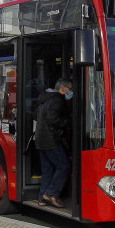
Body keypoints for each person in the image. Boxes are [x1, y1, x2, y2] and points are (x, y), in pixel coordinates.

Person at [35, 78, 73, 208]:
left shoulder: (45, 98)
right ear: (62, 88)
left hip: (40, 139)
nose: (70, 91)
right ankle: (51, 193)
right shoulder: (57, 100)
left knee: (47, 169)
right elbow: (54, 120)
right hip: (51, 140)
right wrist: (68, 122)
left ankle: (42, 198)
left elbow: (36, 115)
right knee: (64, 166)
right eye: (69, 88)